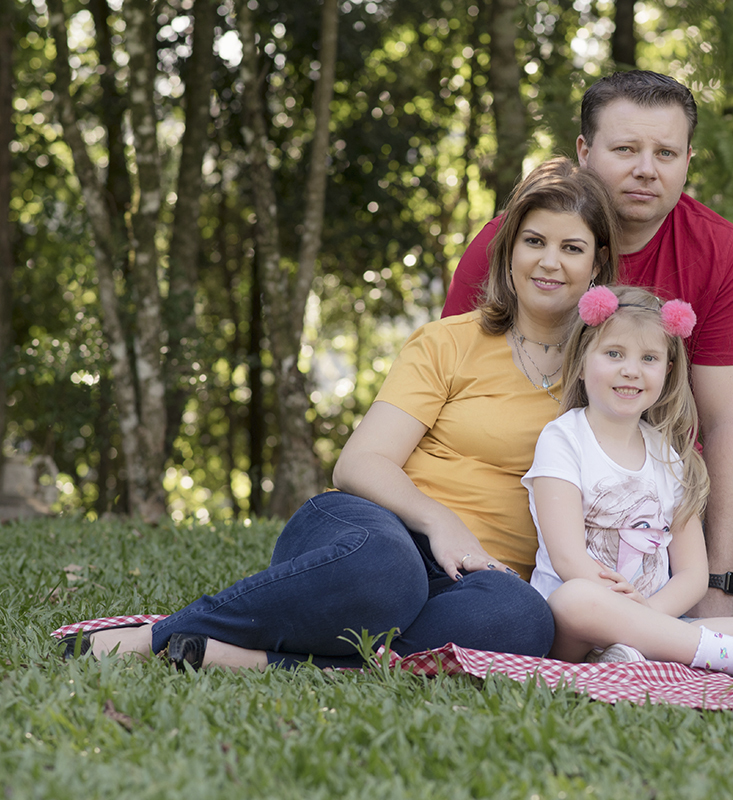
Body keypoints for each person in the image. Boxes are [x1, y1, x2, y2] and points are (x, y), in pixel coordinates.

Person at [66, 158, 620, 670]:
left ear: (597, 264)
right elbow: (360, 462)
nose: (549, 261)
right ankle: (162, 636)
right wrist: (440, 522)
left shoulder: (607, 372)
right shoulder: (450, 342)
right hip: (378, 531)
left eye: (572, 248)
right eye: (533, 241)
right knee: (388, 577)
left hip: (482, 577)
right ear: (508, 252)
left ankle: (244, 658)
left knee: (522, 622)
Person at [444, 70, 733, 620]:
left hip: (659, 523)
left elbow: (728, 426)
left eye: (666, 152)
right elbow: (449, 386)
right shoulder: (516, 247)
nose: (646, 168)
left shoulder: (719, 252)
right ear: (584, 152)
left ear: (689, 158)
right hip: (524, 502)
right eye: (625, 149)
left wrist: (720, 578)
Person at [523, 286, 733, 677]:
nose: (631, 370)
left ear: (668, 369)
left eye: (649, 358)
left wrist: (650, 613)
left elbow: (693, 574)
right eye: (613, 354)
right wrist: (627, 611)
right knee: (576, 598)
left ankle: (638, 652)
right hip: (578, 623)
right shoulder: (564, 439)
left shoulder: (667, 456)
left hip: (652, 617)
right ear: (580, 360)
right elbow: (568, 559)